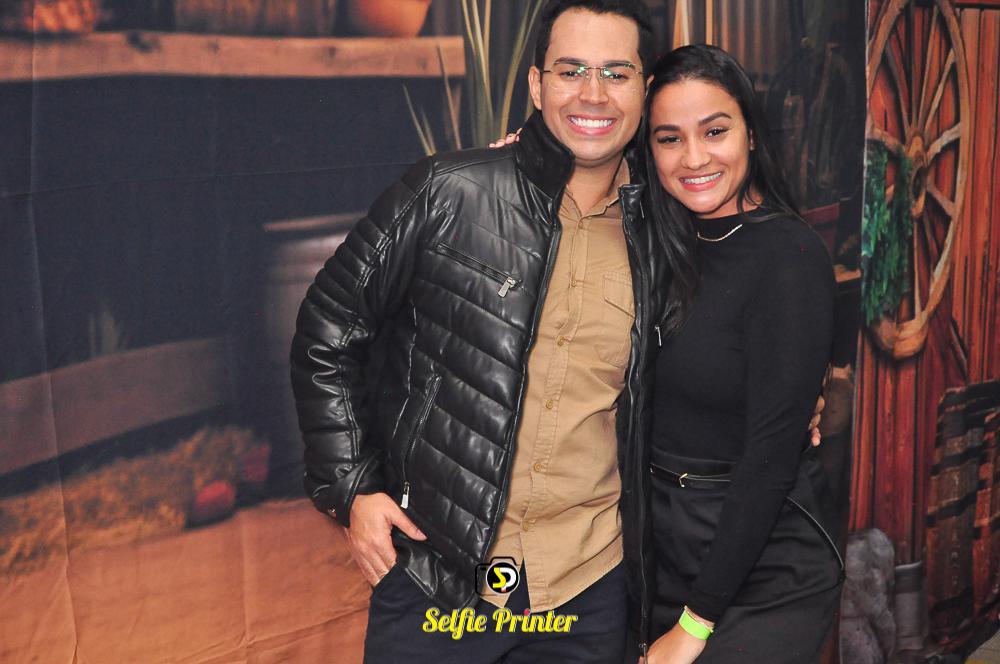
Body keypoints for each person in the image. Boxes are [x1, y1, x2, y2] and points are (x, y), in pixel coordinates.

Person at [291, 2, 662, 661]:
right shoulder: (449, 192)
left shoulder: (664, 235)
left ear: (645, 89)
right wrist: (353, 488)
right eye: (571, 70)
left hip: (589, 590)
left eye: (616, 72)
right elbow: (329, 327)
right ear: (536, 85)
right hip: (440, 578)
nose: (593, 94)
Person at [636, 44, 844, 663]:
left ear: (751, 133)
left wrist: (695, 624)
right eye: (669, 138)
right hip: (662, 544)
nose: (694, 158)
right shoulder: (657, 240)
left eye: (715, 131)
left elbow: (770, 459)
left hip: (763, 559)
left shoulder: (790, 257)